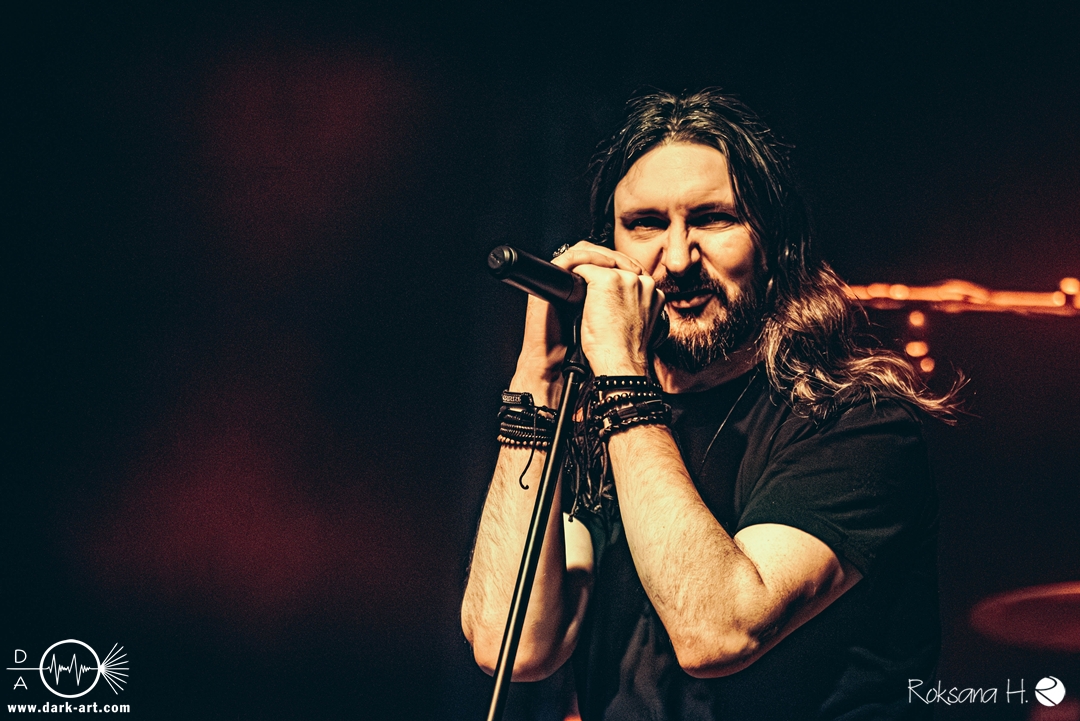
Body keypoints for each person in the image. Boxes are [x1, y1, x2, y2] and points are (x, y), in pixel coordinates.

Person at [461, 89, 958, 720]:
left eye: (714, 219)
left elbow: (717, 631)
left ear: (773, 244)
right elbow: (510, 644)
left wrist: (620, 370)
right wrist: (540, 374)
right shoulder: (591, 431)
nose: (676, 259)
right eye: (646, 224)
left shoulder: (857, 423)